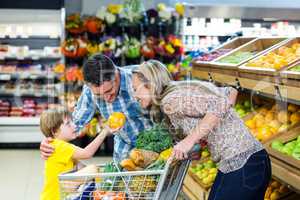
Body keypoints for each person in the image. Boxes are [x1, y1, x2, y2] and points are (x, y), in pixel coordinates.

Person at [131, 60, 271, 200]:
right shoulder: (179, 91)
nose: (134, 96)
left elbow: (221, 102)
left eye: (136, 89)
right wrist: (208, 135)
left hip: (243, 164)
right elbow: (230, 92)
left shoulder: (171, 100)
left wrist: (189, 140)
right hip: (249, 162)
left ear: (150, 85)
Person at [40, 54, 152, 161]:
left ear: (116, 75)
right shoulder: (89, 91)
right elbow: (76, 122)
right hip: (124, 149)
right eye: (99, 95)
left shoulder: (139, 78)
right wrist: (51, 140)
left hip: (155, 145)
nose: (107, 99)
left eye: (109, 91)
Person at [39, 108, 118, 200]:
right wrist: (104, 132)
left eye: (72, 121)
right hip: (56, 197)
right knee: (93, 168)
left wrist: (103, 177)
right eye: (68, 124)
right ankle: (69, 184)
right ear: (54, 131)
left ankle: (71, 185)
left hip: (57, 196)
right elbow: (87, 153)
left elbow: (81, 167)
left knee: (92, 170)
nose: (74, 126)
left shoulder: (61, 147)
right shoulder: (59, 146)